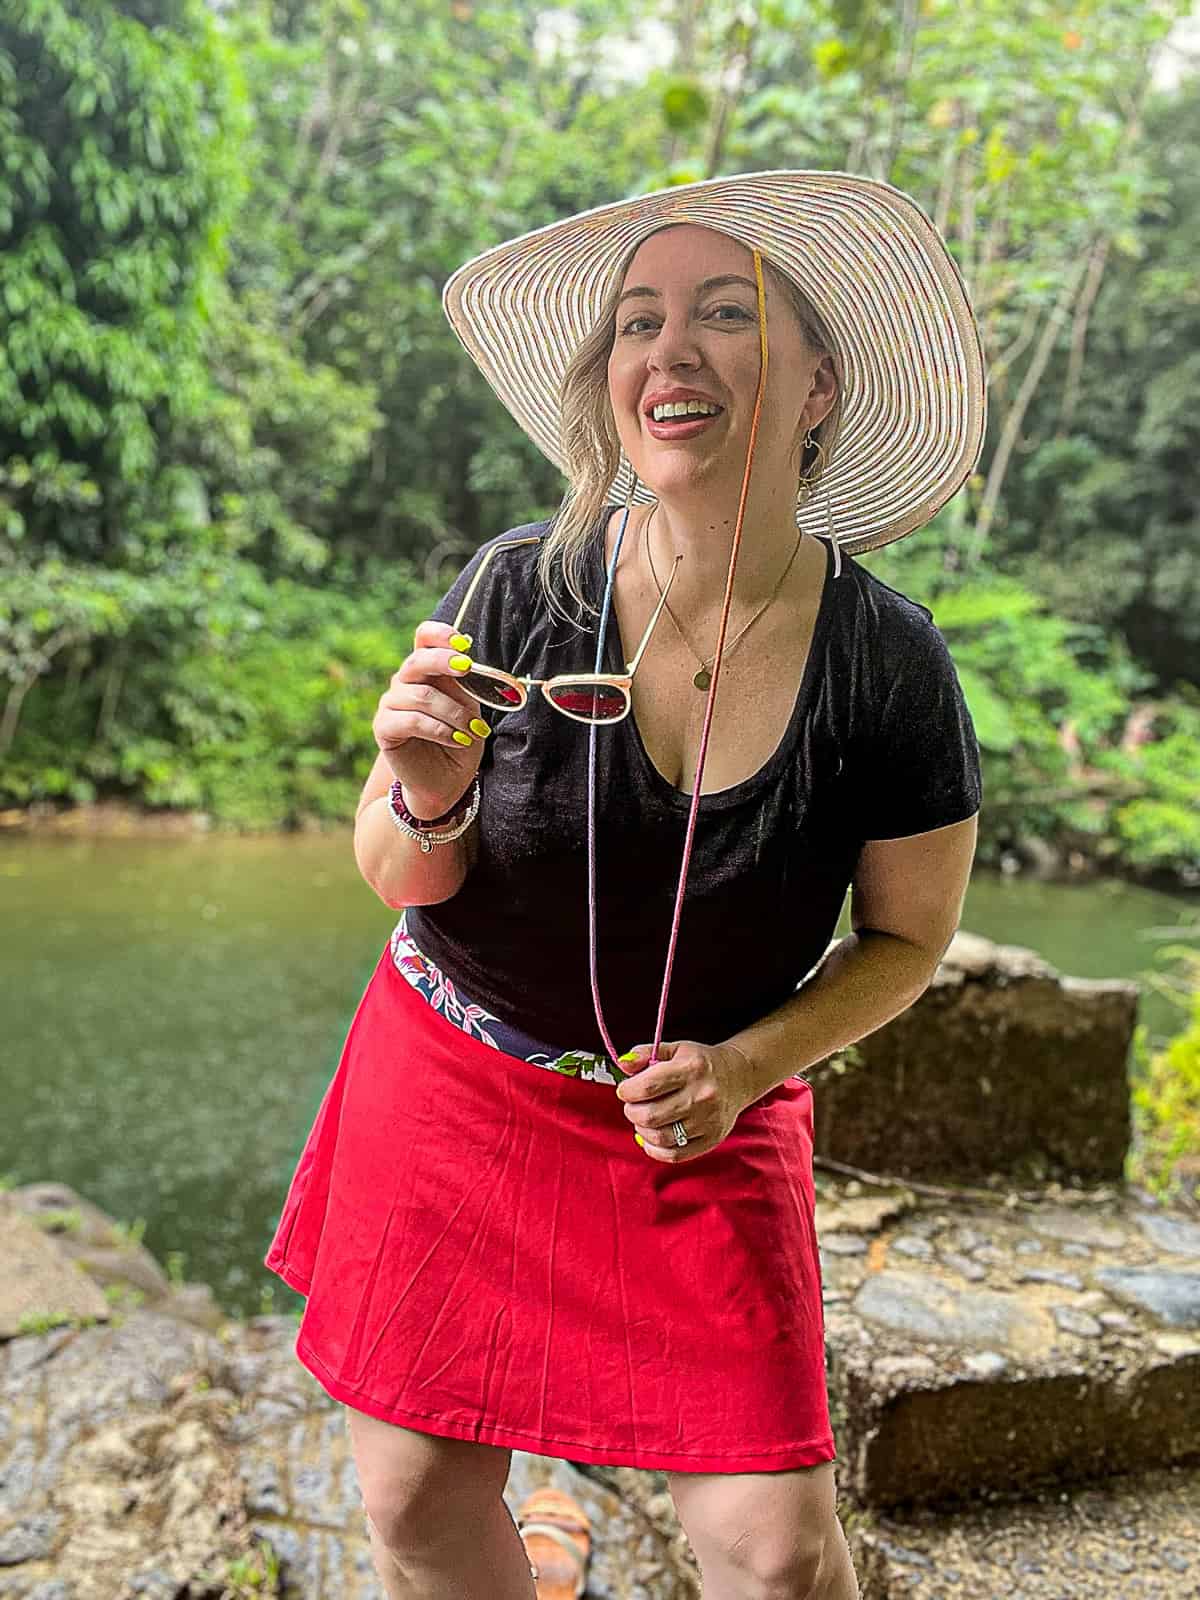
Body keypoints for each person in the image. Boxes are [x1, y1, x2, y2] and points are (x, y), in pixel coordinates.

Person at [264, 169, 987, 1600]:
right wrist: (426, 790)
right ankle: (539, 1551)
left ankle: (556, 1532)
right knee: (412, 1501)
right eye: (639, 321)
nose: (672, 350)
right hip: (461, 1074)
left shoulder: (887, 665)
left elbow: (908, 941)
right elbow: (398, 873)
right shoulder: (520, 588)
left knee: (777, 1556)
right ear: (610, 382)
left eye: (727, 313)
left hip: (698, 1118)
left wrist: (743, 1067)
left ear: (819, 385)